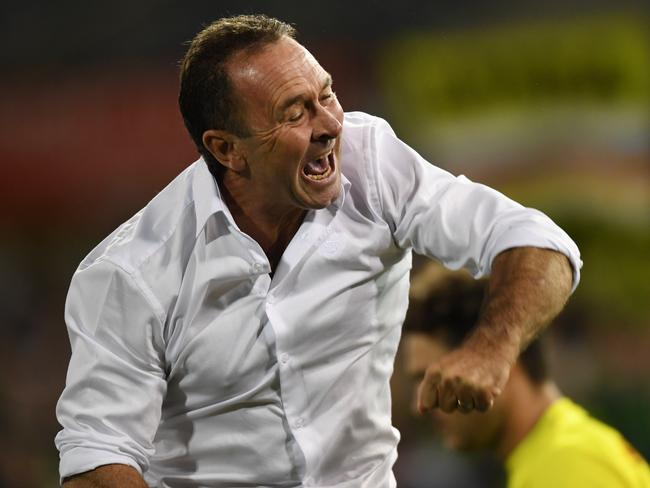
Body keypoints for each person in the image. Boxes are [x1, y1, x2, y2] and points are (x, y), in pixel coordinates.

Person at [55, 14, 582, 488]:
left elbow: (538, 243)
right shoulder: (131, 272)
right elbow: (98, 456)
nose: (330, 125)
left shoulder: (370, 165)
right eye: (295, 112)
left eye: (326, 95)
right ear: (226, 149)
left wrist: (491, 346)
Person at [402, 263, 650, 487]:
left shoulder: (565, 466)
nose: (420, 404)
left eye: (433, 378)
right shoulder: (551, 456)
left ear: (498, 359)